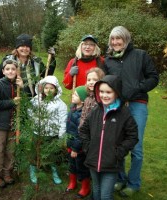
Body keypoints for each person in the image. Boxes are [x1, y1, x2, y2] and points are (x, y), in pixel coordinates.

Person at [104, 26, 159, 197]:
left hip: (137, 104)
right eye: (112, 39)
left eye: (118, 39)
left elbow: (153, 77)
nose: (115, 42)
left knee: (136, 145)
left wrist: (137, 89)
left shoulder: (140, 55)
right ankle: (120, 179)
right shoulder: (108, 60)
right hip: (117, 106)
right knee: (118, 144)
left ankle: (134, 183)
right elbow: (105, 82)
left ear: (126, 39)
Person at [79, 75, 138, 200]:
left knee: (105, 195)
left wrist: (120, 151)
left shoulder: (124, 113)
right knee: (96, 190)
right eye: (101, 92)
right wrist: (88, 147)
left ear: (116, 93)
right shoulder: (96, 111)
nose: (104, 95)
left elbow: (132, 136)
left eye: (108, 92)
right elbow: (83, 130)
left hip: (111, 163)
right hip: (93, 160)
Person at [0, 59, 24, 188]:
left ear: (17, 71)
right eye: (7, 69)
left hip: (14, 124)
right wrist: (12, 102)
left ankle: (7, 173)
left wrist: (22, 88)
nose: (10, 71)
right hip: (1, 125)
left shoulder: (18, 85)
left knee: (10, 150)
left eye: (13, 69)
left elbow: (25, 101)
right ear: (3, 71)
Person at [28, 75, 67, 185]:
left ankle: (54, 172)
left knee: (52, 155)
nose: (48, 90)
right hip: (38, 133)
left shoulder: (60, 104)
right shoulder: (36, 100)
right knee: (35, 153)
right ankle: (33, 170)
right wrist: (36, 120)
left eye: (51, 88)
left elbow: (62, 121)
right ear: (42, 88)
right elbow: (30, 111)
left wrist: (61, 136)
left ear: (56, 90)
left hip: (52, 134)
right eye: (46, 88)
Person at [65, 86, 91, 198]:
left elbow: (81, 133)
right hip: (71, 143)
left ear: (83, 99)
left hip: (79, 147)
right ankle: (72, 182)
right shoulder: (73, 107)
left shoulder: (82, 114)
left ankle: (85, 187)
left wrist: (76, 148)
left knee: (81, 166)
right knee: (72, 165)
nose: (73, 96)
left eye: (76, 95)